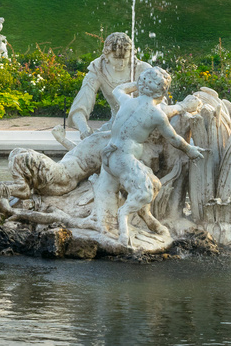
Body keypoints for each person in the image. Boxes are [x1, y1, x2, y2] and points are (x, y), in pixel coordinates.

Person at [95, 67, 205, 246]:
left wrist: (137, 84)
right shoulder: (156, 114)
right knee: (145, 192)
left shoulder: (127, 102)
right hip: (124, 159)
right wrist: (189, 150)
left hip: (109, 155)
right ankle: (124, 229)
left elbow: (118, 90)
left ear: (142, 85)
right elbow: (173, 138)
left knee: (154, 184)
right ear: (163, 91)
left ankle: (149, 220)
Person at [66, 32, 152, 139]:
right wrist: (84, 130)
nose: (121, 63)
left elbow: (160, 104)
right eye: (116, 58)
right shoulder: (98, 69)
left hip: (145, 129)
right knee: (92, 145)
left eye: (125, 58)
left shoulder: (144, 70)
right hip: (115, 127)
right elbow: (80, 106)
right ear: (106, 55)